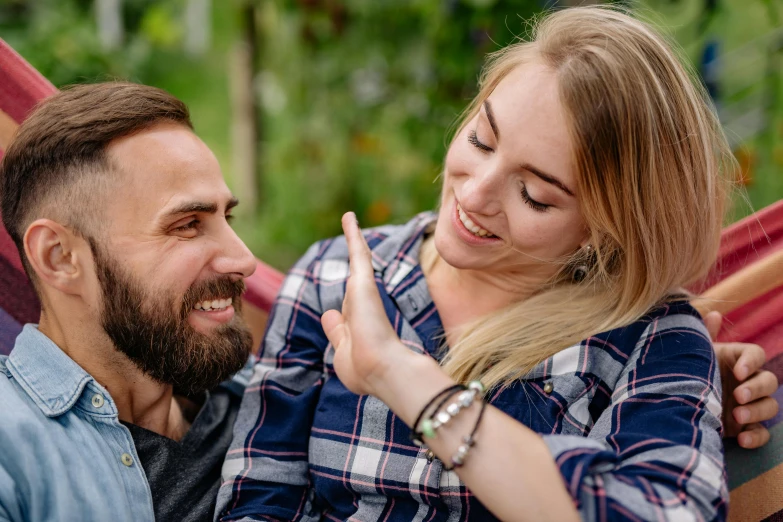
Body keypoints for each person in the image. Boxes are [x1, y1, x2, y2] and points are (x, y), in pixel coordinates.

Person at [216, 7, 778, 522]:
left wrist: (406, 380)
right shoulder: (336, 274)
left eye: (535, 193)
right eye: (482, 140)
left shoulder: (649, 340)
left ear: (606, 230)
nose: (475, 194)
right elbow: (258, 500)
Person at [0, 82, 258, 521]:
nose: (244, 260)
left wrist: (404, 391)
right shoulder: (12, 454)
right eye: (188, 225)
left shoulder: (271, 395)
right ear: (59, 257)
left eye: (226, 217)